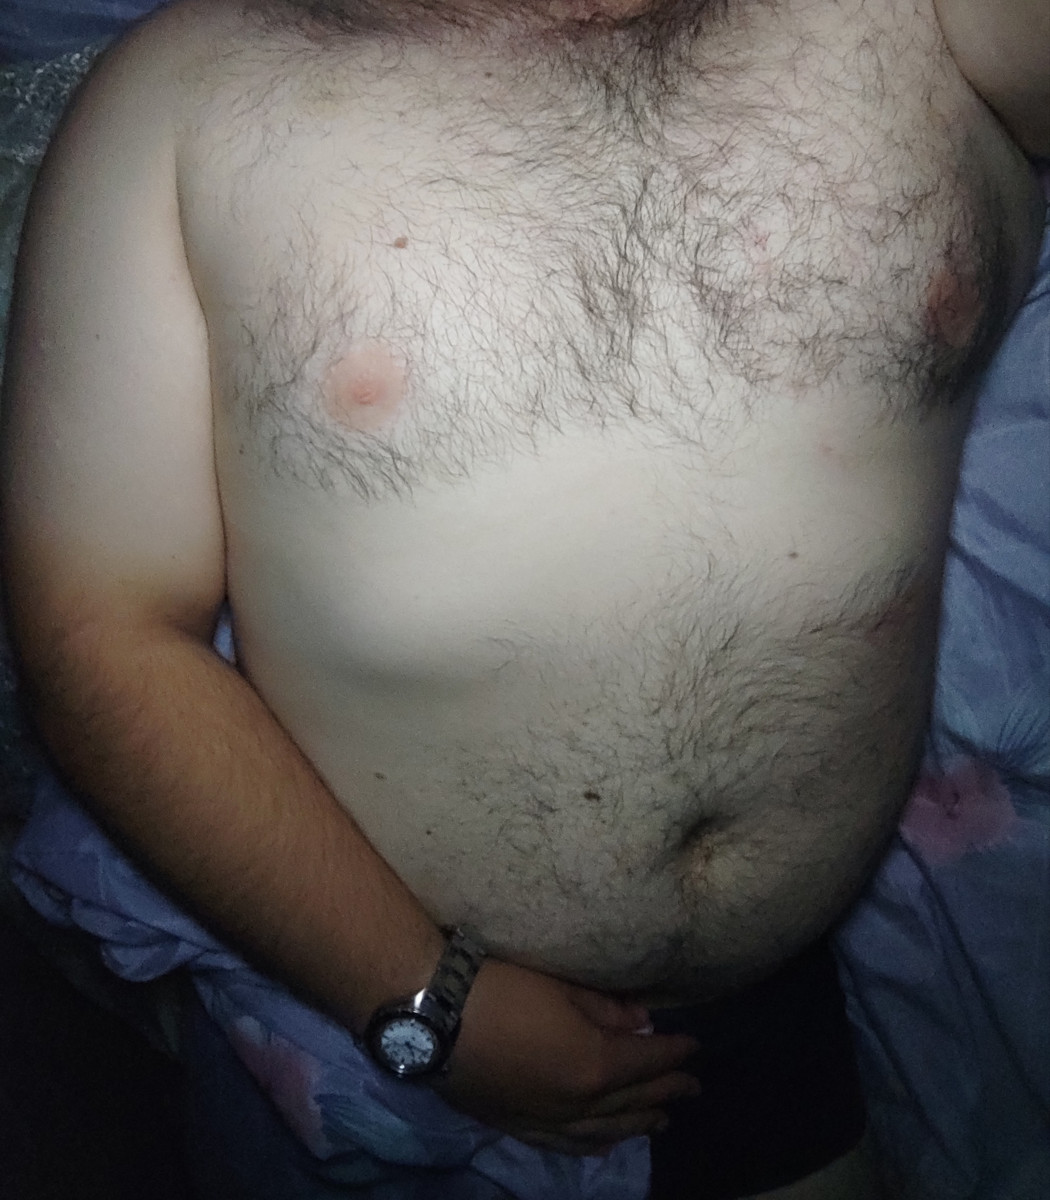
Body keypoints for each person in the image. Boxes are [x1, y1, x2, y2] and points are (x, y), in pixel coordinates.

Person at [0, 1, 1046, 1196]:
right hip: (356, 1001)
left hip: (799, 1002)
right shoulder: (191, 97)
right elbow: (101, 631)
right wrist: (425, 1005)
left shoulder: (913, 21)